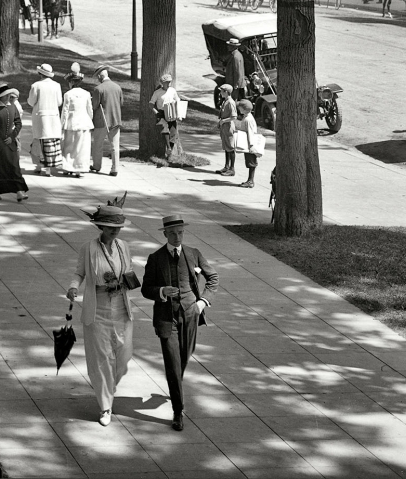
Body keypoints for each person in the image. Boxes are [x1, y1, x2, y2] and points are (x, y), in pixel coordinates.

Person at [140, 214, 219, 431]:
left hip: (191, 314)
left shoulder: (194, 254)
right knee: (173, 363)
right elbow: (146, 289)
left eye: (181, 232)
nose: (177, 237)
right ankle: (178, 410)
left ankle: (175, 385)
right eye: (173, 233)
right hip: (167, 318)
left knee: (184, 356)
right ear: (165, 234)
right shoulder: (155, 258)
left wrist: (202, 302)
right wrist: (161, 291)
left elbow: (213, 278)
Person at [65, 205, 140, 426]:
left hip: (121, 306)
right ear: (101, 226)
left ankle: (108, 387)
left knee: (124, 356)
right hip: (97, 307)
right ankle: (105, 405)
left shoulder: (123, 246)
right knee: (101, 359)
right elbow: (79, 272)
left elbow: (129, 270)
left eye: (118, 227)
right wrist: (73, 287)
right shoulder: (88, 248)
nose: (115, 230)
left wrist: (125, 279)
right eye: (110, 227)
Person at [0, 84, 29, 201]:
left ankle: (19, 192)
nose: (9, 96)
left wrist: (12, 137)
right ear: (1, 97)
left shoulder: (13, 107)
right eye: (6, 95)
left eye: (9, 95)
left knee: (14, 166)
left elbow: (18, 124)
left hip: (10, 143)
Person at [26, 63, 65, 176]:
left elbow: (31, 102)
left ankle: (39, 166)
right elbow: (59, 102)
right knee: (51, 143)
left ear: (40, 73)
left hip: (40, 118)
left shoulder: (36, 85)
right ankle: (48, 168)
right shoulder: (56, 85)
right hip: (53, 117)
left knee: (39, 142)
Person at [60, 72, 95, 177]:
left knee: (69, 147)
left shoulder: (68, 94)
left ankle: (68, 167)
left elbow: (65, 111)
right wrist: (89, 120)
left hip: (71, 123)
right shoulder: (86, 93)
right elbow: (90, 110)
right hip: (84, 123)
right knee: (82, 148)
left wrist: (62, 125)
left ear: (71, 82)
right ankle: (80, 168)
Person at [92, 66, 123, 177]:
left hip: (101, 120)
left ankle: (96, 165)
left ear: (100, 76)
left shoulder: (98, 89)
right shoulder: (118, 87)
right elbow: (121, 103)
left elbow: (94, 106)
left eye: (98, 77)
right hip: (115, 120)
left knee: (98, 145)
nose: (97, 79)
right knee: (115, 146)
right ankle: (115, 168)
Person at [230, 99, 265, 188]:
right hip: (248, 143)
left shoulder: (248, 119)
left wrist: (251, 145)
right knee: (249, 162)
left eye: (240, 107)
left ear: (244, 109)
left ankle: (250, 181)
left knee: (251, 162)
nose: (239, 109)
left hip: (250, 144)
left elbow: (250, 133)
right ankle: (250, 180)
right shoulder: (246, 116)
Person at [150, 73, 184, 164]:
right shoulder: (157, 93)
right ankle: (168, 147)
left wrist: (179, 113)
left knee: (173, 132)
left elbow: (177, 100)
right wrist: (156, 112)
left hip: (171, 112)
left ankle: (170, 151)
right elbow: (151, 104)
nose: (169, 83)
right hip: (161, 113)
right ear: (162, 83)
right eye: (167, 82)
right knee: (165, 128)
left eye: (169, 82)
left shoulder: (172, 90)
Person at [213, 77, 238, 177]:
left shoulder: (230, 102)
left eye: (222, 91)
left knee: (230, 148)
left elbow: (234, 117)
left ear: (226, 92)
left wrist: (223, 121)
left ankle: (232, 169)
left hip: (228, 127)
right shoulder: (225, 101)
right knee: (226, 147)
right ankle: (226, 166)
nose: (220, 93)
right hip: (224, 126)